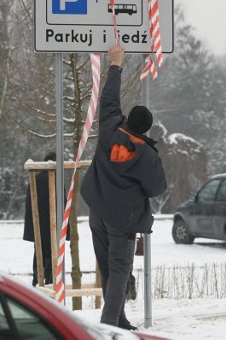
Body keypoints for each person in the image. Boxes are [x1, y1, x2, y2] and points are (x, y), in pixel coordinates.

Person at [80, 44, 167, 330]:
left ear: (128, 119)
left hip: (97, 212)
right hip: (123, 221)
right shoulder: (146, 154)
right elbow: (157, 188)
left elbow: (108, 99)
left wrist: (115, 65)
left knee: (107, 267)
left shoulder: (109, 128)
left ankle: (118, 317)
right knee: (120, 269)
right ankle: (109, 326)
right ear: (145, 130)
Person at [23, 151, 64, 287]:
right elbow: (63, 205)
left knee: (39, 253)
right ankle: (51, 282)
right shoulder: (57, 179)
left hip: (38, 226)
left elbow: (30, 205)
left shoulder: (35, 180)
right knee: (53, 255)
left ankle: (37, 280)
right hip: (54, 226)